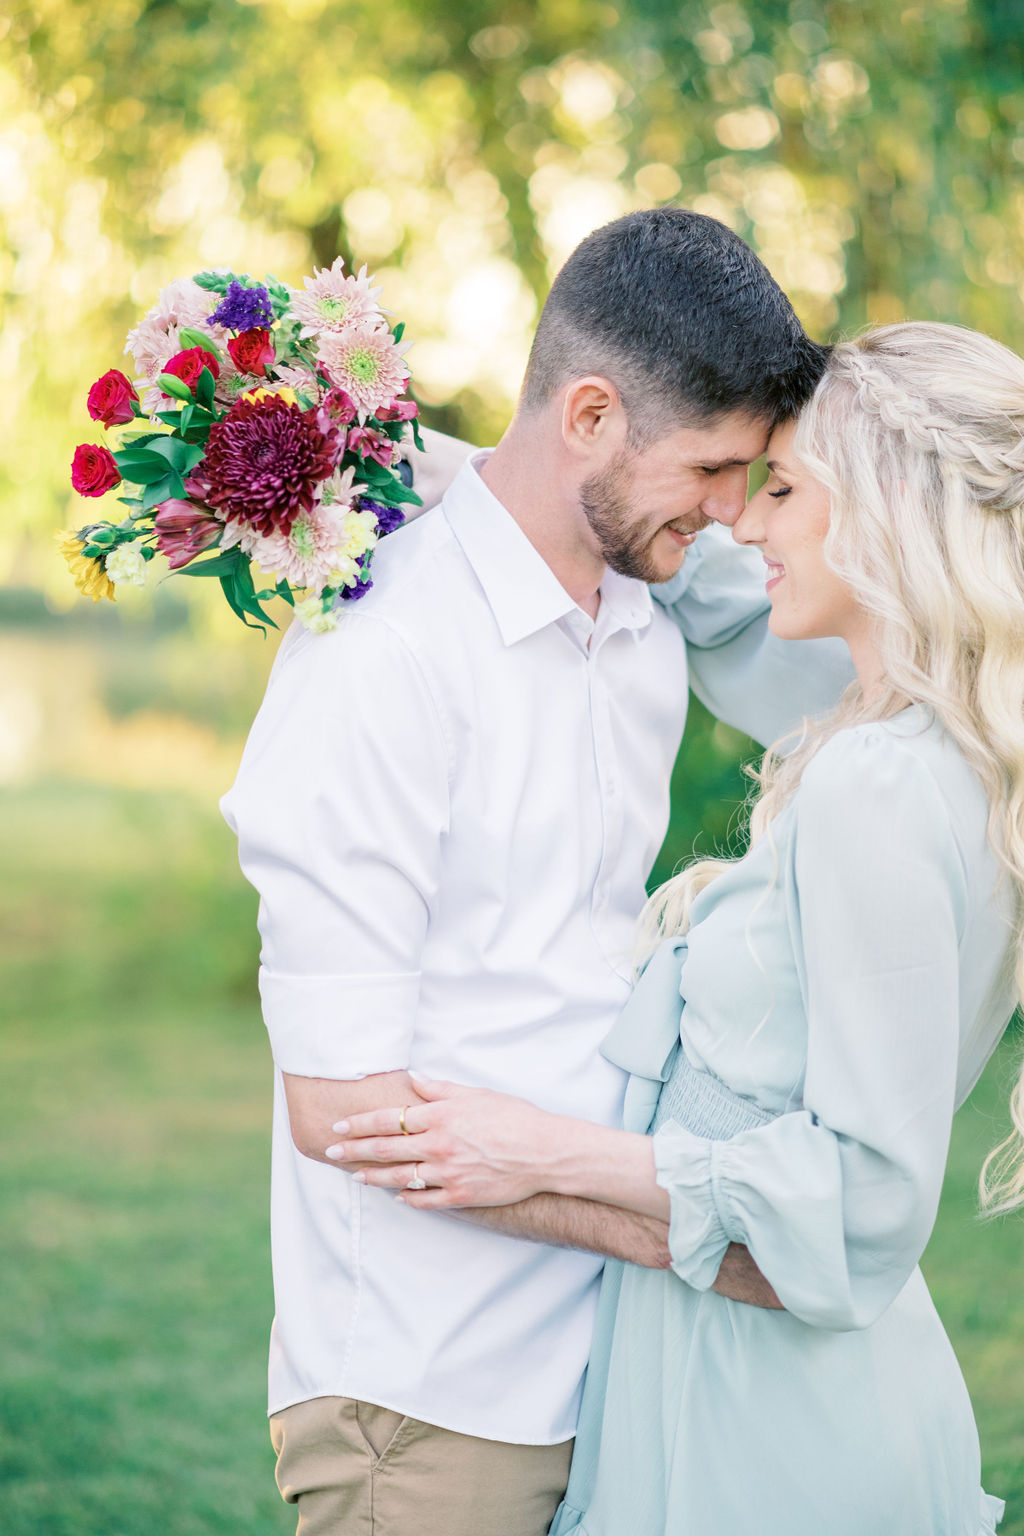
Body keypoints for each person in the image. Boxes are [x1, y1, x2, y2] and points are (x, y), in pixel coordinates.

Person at [333, 321, 1024, 1535]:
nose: (745, 523)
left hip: (770, 1414)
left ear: (886, 515)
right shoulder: (940, 745)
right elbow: (689, 576)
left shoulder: (881, 787)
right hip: (734, 1365)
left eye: (783, 488)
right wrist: (405, 461)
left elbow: (863, 1198)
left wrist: (539, 1155)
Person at [221, 207, 851, 1536]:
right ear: (587, 418)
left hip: (621, 1366)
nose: (736, 510)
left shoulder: (642, 618)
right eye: (715, 468)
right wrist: (702, 1236)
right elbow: (344, 1110)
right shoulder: (382, 655)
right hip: (432, 1391)